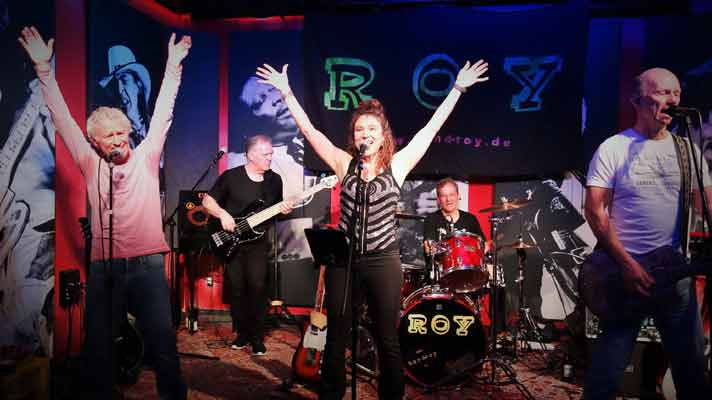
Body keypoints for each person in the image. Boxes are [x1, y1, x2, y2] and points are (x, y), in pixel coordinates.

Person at [257, 59, 489, 399]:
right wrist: (287, 92)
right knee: (337, 333)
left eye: (371, 130)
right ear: (354, 137)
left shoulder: (398, 164)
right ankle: (332, 394)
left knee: (387, 337)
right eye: (359, 130)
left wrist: (456, 89)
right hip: (345, 260)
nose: (365, 134)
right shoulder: (344, 163)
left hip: (383, 260)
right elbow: (310, 132)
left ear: (383, 137)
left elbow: (430, 129)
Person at [19, 26, 191, 399]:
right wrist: (44, 70)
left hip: (147, 264)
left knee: (163, 343)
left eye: (121, 132)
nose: (117, 140)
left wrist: (173, 65)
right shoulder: (89, 162)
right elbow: (61, 118)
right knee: (97, 347)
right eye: (108, 136)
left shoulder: (147, 156)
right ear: (95, 143)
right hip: (105, 266)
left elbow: (164, 110)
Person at [584, 67, 711, 399]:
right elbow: (595, 212)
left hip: (674, 277)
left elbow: (708, 205)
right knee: (606, 374)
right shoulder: (614, 148)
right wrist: (627, 265)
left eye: (677, 93)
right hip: (624, 277)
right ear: (637, 100)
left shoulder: (687, 151)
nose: (673, 100)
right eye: (663, 92)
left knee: (692, 371)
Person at [202, 134, 292, 356]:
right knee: (237, 289)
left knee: (258, 288)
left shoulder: (274, 181)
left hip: (258, 244)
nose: (270, 158)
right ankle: (242, 334)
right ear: (250, 155)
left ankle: (257, 337)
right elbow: (207, 201)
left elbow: (275, 213)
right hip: (232, 242)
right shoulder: (231, 177)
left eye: (271, 153)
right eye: (265, 154)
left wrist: (283, 210)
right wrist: (223, 214)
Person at [98, 44, 152, 149]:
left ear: (138, 84)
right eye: (115, 84)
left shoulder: (154, 124)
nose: (120, 90)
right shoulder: (115, 136)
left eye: (124, 80)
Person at [423, 177, 484, 242]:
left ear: (458, 196)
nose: (448, 199)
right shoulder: (431, 219)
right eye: (443, 196)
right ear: (438, 200)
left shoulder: (470, 219)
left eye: (451, 195)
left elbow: (482, 243)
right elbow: (429, 245)